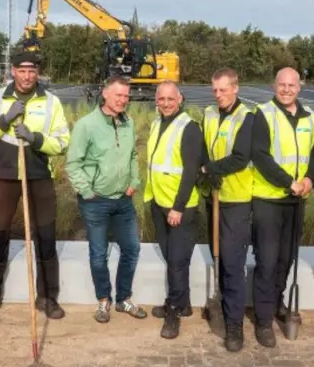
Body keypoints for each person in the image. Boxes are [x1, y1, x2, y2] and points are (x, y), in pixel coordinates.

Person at [0, 50, 70, 323]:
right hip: (3, 177)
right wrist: (4, 120)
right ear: (12, 71)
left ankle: (48, 297)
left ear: (38, 72)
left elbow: (62, 142)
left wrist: (35, 138)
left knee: (46, 238)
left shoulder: (51, 102)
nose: (27, 76)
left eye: (32, 70)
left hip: (38, 177)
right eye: (22, 70)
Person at [66, 76, 147, 323]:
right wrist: (87, 191)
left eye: (126, 96)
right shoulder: (86, 125)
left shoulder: (128, 122)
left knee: (131, 248)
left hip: (123, 199)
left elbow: (133, 154)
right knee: (98, 253)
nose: (123, 100)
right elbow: (73, 164)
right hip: (95, 201)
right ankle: (104, 300)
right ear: (105, 94)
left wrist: (134, 183)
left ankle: (124, 298)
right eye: (118, 95)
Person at [250, 67, 314, 348]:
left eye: (292, 85)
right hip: (268, 199)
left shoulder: (311, 118)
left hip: (297, 200)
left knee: (286, 258)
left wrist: (309, 179)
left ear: (299, 87)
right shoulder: (263, 114)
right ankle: (264, 321)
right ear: (273, 86)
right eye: (282, 84)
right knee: (267, 261)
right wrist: (288, 182)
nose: (287, 89)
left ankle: (277, 300)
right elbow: (260, 155)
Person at [198, 67, 254, 352]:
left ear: (236, 88)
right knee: (216, 254)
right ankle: (220, 305)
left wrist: (211, 168)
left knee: (233, 263)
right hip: (213, 196)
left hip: (236, 201)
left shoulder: (247, 118)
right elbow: (203, 146)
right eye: (215, 90)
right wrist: (208, 169)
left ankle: (235, 325)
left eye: (223, 89)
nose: (218, 95)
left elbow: (242, 157)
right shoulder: (208, 114)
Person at [144, 81, 203, 339]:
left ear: (180, 98)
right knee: (173, 258)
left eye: (170, 99)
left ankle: (174, 313)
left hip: (179, 208)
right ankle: (184, 302)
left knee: (176, 263)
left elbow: (190, 171)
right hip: (159, 202)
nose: (166, 103)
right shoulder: (158, 123)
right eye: (161, 99)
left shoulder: (189, 127)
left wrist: (177, 207)